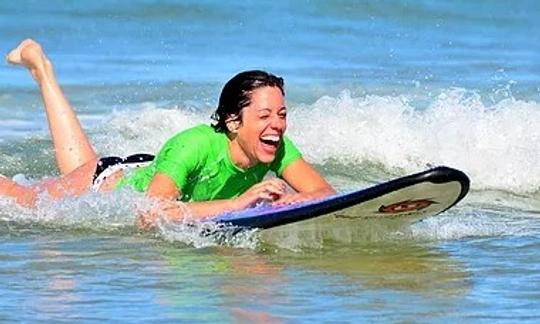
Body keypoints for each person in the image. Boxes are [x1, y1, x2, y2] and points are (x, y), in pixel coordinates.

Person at [0, 39, 335, 227]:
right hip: (106, 182)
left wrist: (290, 202)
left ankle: (42, 70)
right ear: (234, 122)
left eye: (282, 114)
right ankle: (42, 69)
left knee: (76, 159)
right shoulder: (194, 144)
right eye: (265, 115)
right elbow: (151, 214)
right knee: (24, 199)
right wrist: (240, 202)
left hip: (152, 167)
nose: (277, 124)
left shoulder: (275, 145)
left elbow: (323, 192)